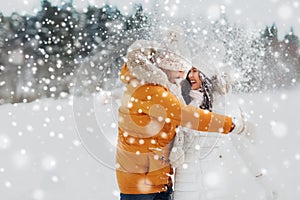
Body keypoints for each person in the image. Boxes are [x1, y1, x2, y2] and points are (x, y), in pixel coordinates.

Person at [116, 39, 240, 200]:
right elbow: (185, 115)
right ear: (165, 68)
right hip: (144, 188)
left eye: (185, 69)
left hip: (152, 182)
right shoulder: (150, 90)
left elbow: (181, 108)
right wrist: (231, 125)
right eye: (178, 69)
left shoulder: (153, 87)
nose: (183, 75)